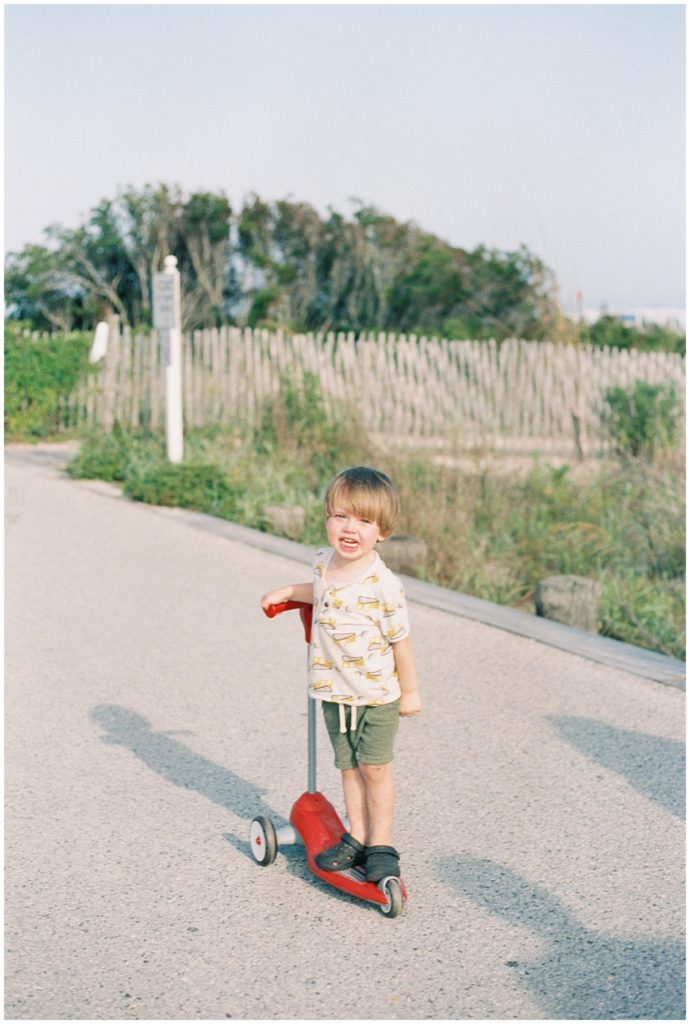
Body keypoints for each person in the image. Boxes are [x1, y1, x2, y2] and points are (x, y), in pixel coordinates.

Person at [261, 465, 422, 883]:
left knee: (375, 769)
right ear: (328, 519)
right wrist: (287, 592)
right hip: (334, 691)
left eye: (364, 521)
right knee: (348, 768)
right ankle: (356, 835)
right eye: (341, 517)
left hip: (376, 696)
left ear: (382, 531)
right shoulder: (322, 565)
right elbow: (318, 592)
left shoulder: (383, 584)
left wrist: (410, 691)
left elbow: (400, 641)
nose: (351, 529)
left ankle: (381, 845)